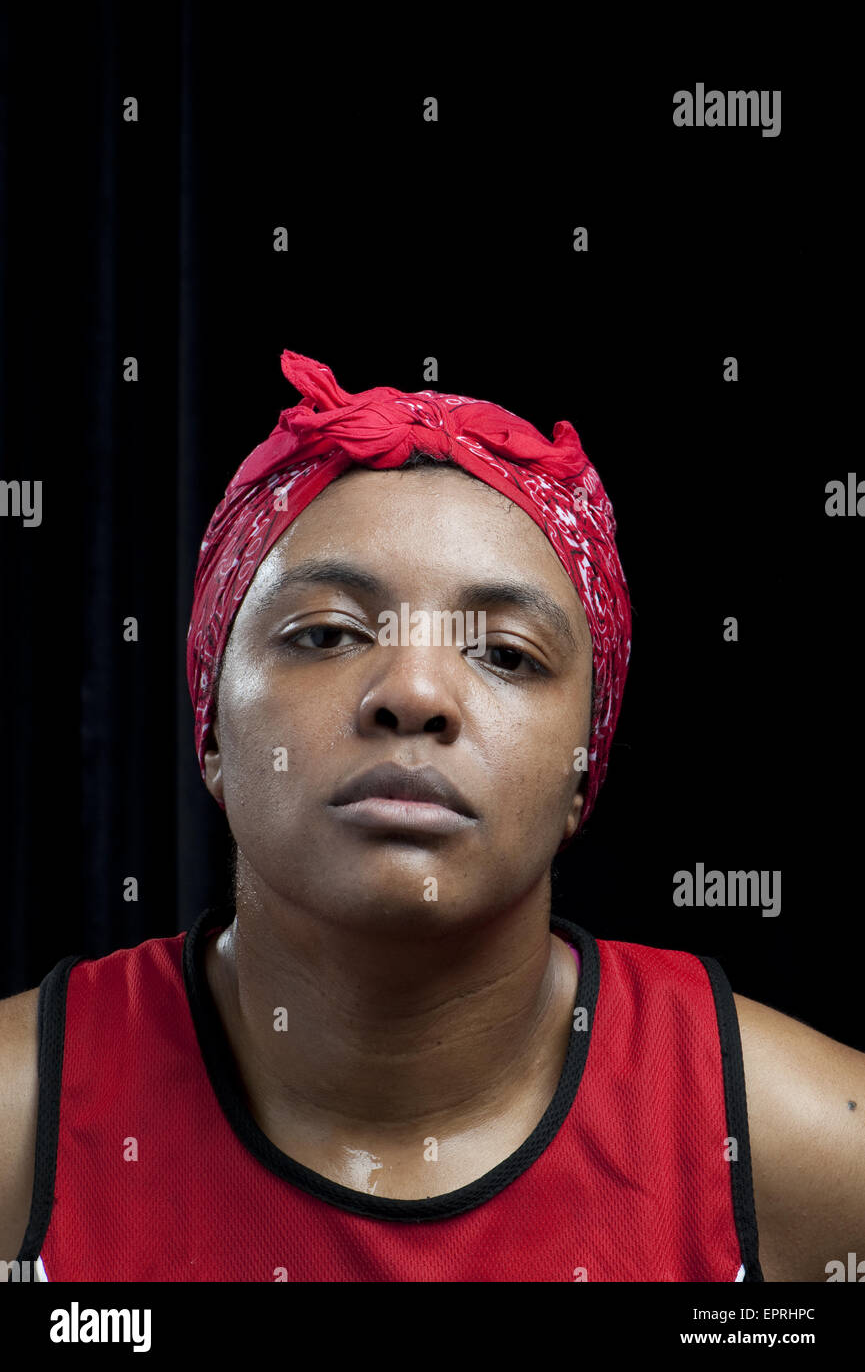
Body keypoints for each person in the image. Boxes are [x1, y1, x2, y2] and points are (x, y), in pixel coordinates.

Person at [2, 351, 863, 1282]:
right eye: (326, 634)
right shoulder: (20, 1123)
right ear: (211, 726)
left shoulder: (808, 1150)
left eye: (504, 653)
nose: (413, 693)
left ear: (585, 770)